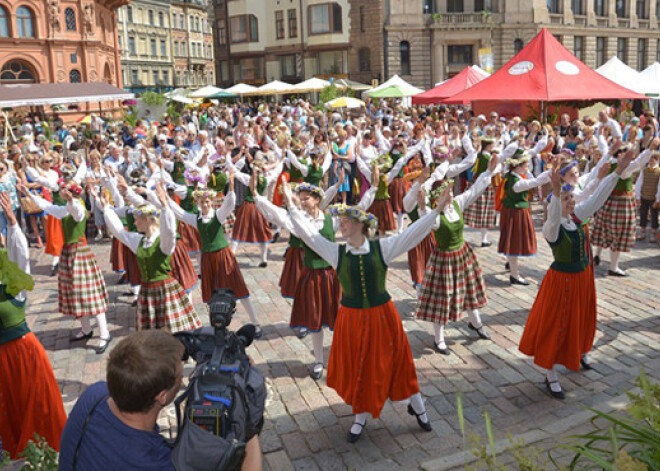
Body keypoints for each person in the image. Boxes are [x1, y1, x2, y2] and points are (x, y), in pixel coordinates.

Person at [289, 189, 444, 443]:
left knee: (399, 361)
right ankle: (359, 416)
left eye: (347, 221)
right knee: (358, 364)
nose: (342, 224)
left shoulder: (382, 248)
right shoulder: (335, 252)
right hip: (351, 318)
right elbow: (307, 235)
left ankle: (419, 407)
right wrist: (292, 206)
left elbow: (411, 235)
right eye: (341, 221)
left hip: (383, 316)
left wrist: (435, 212)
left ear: (361, 225)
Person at [519, 150, 634, 398]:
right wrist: (557, 189)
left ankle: (580, 351)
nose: (572, 202)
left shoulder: (575, 217)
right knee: (556, 325)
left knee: (581, 317)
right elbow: (554, 211)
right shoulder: (553, 227)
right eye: (567, 199)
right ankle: (550, 374)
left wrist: (616, 173)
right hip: (561, 281)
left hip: (582, 278)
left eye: (572, 198)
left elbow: (597, 198)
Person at [58, 330, 262, 471]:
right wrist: (249, 422)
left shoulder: (94, 396)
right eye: (180, 374)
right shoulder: (155, 462)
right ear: (162, 395)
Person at [0, 191, 66, 459]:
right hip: (3, 361)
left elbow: (20, 255)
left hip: (24, 354)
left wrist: (13, 223)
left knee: (36, 406)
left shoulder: (13, 283)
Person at [416, 154, 500, 354]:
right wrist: (421, 206)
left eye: (450, 191)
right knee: (442, 298)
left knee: (469, 291)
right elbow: (425, 222)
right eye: (446, 193)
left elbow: (474, 191)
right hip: (444, 259)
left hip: (462, 254)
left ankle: (476, 324)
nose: (451, 194)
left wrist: (488, 172)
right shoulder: (434, 215)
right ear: (438, 196)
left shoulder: (456, 204)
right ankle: (439, 339)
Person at [18, 180, 111, 354]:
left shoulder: (78, 209)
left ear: (70, 193)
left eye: (64, 190)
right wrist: (28, 194)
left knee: (90, 293)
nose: (61, 192)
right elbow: (46, 205)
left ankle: (104, 333)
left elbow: (76, 209)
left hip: (80, 253)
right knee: (76, 293)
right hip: (69, 254)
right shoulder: (64, 210)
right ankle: (86, 329)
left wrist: (71, 199)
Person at [168, 172, 263, 338]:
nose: (204, 205)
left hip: (223, 257)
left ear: (211, 202)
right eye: (201, 202)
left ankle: (255, 323)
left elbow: (229, 204)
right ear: (197, 202)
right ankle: (217, 324)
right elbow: (178, 213)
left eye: (207, 201)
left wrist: (232, 187)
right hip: (208, 260)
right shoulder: (196, 218)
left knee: (238, 289)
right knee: (212, 293)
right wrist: (164, 200)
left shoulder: (217, 216)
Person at [100, 184, 201, 333]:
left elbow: (170, 233)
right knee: (152, 332)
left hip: (165, 289)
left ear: (147, 220)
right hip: (147, 291)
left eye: (136, 220)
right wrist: (107, 209)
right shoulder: (138, 240)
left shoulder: (162, 242)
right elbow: (120, 233)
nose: (134, 223)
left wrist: (166, 208)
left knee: (174, 330)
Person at [634, 150, 660, 242]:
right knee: (643, 215)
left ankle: (653, 233)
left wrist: (658, 200)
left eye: (654, 159)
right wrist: (638, 197)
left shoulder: (659, 171)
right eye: (650, 159)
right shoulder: (644, 170)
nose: (651, 161)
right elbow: (639, 183)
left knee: (654, 216)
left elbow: (659, 187)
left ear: (658, 160)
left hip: (653, 198)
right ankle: (642, 232)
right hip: (644, 196)